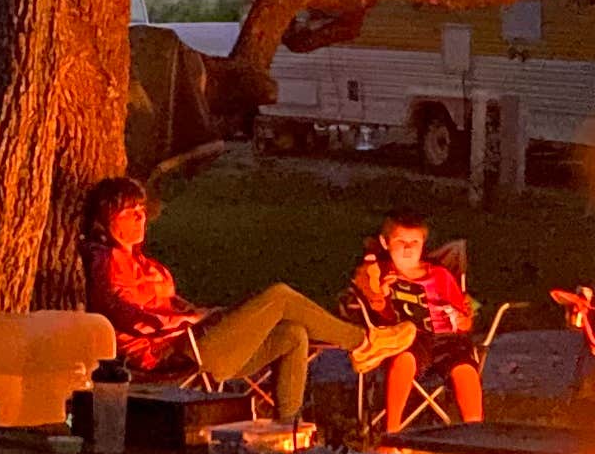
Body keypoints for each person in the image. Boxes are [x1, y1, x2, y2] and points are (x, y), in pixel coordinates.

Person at [80, 177, 412, 424]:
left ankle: (287, 430)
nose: (141, 218)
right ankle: (363, 341)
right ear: (107, 219)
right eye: (130, 213)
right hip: (169, 354)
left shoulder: (143, 262)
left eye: (142, 211)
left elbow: (170, 304)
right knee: (279, 296)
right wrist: (187, 321)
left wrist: (200, 313)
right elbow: (124, 313)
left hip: (195, 343)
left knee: (292, 333)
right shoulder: (107, 260)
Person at [350, 207, 485, 434]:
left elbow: (465, 316)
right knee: (403, 359)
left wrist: (464, 321)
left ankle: (476, 436)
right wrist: (382, 296)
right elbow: (378, 316)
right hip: (409, 338)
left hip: (447, 338)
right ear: (385, 243)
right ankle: (391, 433)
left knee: (466, 370)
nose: (408, 248)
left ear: (423, 244)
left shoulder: (440, 275)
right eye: (400, 241)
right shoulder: (379, 274)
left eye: (414, 242)